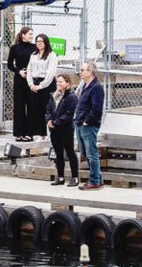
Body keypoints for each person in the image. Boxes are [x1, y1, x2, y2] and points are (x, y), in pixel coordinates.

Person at [45, 72, 79, 187]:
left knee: (70, 152)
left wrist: (56, 122)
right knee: (58, 153)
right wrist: (49, 120)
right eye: (57, 82)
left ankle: (75, 177)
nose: (58, 84)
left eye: (61, 82)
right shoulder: (54, 95)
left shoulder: (72, 97)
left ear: (67, 83)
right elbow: (48, 110)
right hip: (54, 129)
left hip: (66, 128)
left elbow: (69, 114)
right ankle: (60, 177)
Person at [75, 61, 105, 190]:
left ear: (90, 72)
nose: (80, 72)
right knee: (84, 151)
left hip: (88, 124)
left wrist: (87, 120)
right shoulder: (85, 86)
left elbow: (97, 107)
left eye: (83, 70)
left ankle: (94, 180)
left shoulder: (96, 87)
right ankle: (98, 177)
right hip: (80, 122)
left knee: (91, 152)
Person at [25, 33, 58, 142]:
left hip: (46, 85)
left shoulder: (51, 55)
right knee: (36, 110)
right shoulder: (33, 55)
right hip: (34, 82)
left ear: (46, 42)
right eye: (37, 41)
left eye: (41, 41)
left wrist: (41, 86)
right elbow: (29, 70)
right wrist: (31, 84)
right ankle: (41, 134)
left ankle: (54, 134)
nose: (39, 43)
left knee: (48, 110)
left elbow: (50, 73)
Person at [7, 26, 36, 142]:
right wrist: (19, 71)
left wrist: (30, 73)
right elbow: (10, 64)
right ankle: (19, 133)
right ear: (23, 35)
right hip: (19, 79)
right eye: (30, 34)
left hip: (31, 79)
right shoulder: (15, 48)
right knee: (19, 106)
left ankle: (29, 133)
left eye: (32, 34)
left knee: (31, 106)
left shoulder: (34, 48)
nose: (32, 36)